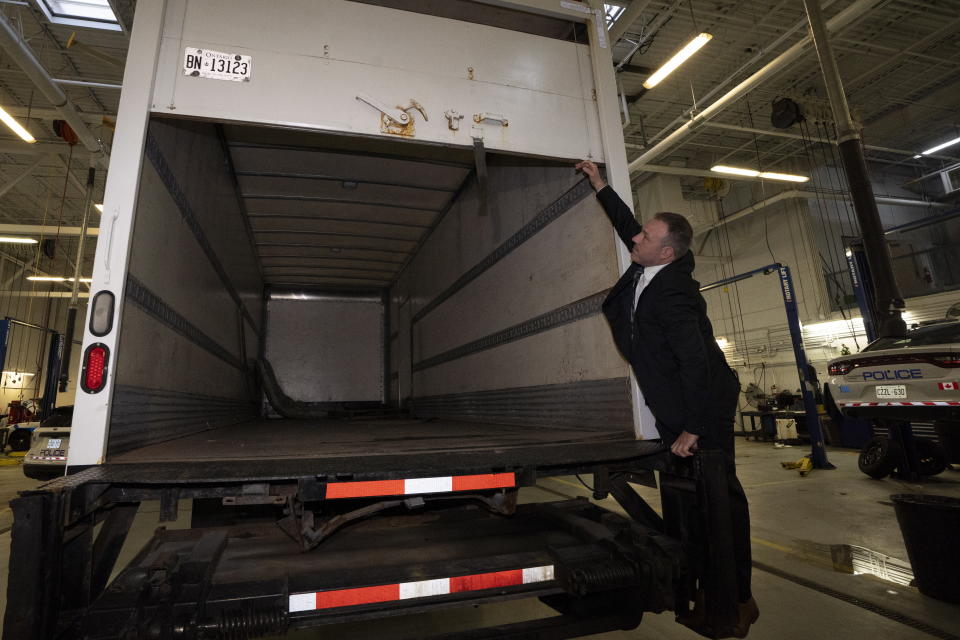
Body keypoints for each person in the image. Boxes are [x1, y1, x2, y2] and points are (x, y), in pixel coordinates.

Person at [575, 160, 758, 638]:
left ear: (667, 252)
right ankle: (695, 587)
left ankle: (737, 599)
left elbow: (696, 365)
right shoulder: (653, 263)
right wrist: (600, 185)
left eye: (646, 239)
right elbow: (630, 227)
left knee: (720, 503)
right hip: (680, 406)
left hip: (705, 409)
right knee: (689, 503)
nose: (635, 240)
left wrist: (694, 427)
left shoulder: (676, 294)